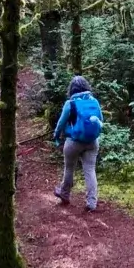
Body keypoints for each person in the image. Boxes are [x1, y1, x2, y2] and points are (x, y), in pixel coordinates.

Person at [53, 76, 104, 212]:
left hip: (73, 142)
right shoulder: (94, 101)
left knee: (69, 168)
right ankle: (91, 202)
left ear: (72, 89)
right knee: (90, 170)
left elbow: (60, 124)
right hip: (92, 142)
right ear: (86, 87)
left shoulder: (70, 103)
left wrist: (56, 136)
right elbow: (100, 120)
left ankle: (64, 194)